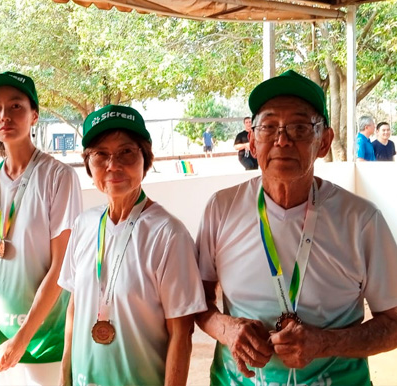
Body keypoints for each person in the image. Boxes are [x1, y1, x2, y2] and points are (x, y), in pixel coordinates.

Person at [196, 69, 397, 386]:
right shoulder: (221, 209)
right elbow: (197, 301)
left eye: (300, 128)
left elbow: (394, 323)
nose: (282, 140)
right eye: (268, 127)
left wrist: (325, 343)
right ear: (252, 141)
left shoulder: (361, 220)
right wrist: (227, 328)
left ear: (324, 142)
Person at [58, 105, 206, 386]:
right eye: (101, 155)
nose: (113, 165)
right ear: (88, 163)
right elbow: (74, 310)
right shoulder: (84, 225)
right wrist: (64, 378)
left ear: (145, 158)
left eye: (126, 152)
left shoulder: (168, 234)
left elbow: (181, 334)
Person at [0, 71, 82, 385]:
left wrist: (23, 338)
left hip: (42, 342)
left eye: (16, 106)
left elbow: (61, 266)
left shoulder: (58, 177)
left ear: (34, 116)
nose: (4, 116)